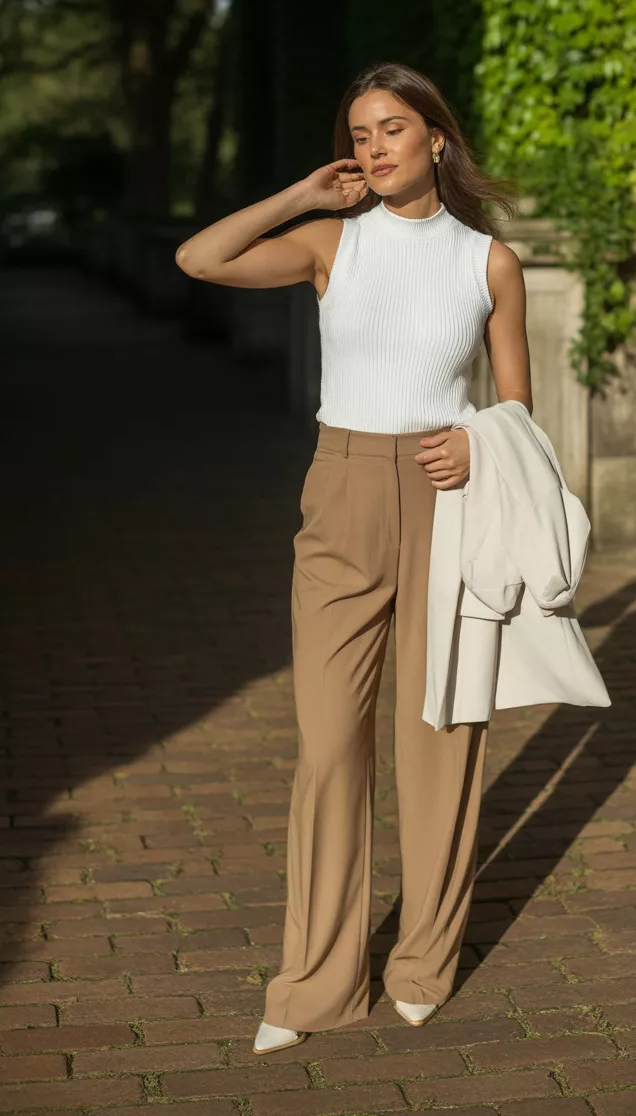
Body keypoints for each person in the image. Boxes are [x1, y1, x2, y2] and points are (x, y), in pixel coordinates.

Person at [175, 61, 532, 1054]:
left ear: (438, 142)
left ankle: (423, 959)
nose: (375, 148)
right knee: (330, 748)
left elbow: (519, 410)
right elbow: (199, 259)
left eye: (393, 130)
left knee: (440, 737)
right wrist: (299, 192)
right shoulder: (332, 242)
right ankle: (319, 982)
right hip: (340, 494)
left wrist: (481, 442)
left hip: (447, 494)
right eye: (361, 132)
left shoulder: (488, 262)